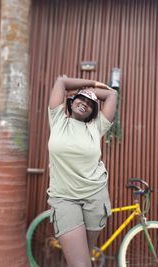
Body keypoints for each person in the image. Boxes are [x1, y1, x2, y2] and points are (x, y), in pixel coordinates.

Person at [47, 76, 117, 267]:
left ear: (93, 112)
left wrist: (89, 93)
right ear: (70, 103)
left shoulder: (96, 127)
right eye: (81, 99)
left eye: (90, 103)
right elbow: (61, 82)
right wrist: (92, 85)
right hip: (64, 198)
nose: (85, 103)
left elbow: (112, 95)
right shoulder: (57, 120)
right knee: (81, 264)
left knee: (84, 256)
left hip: (94, 196)